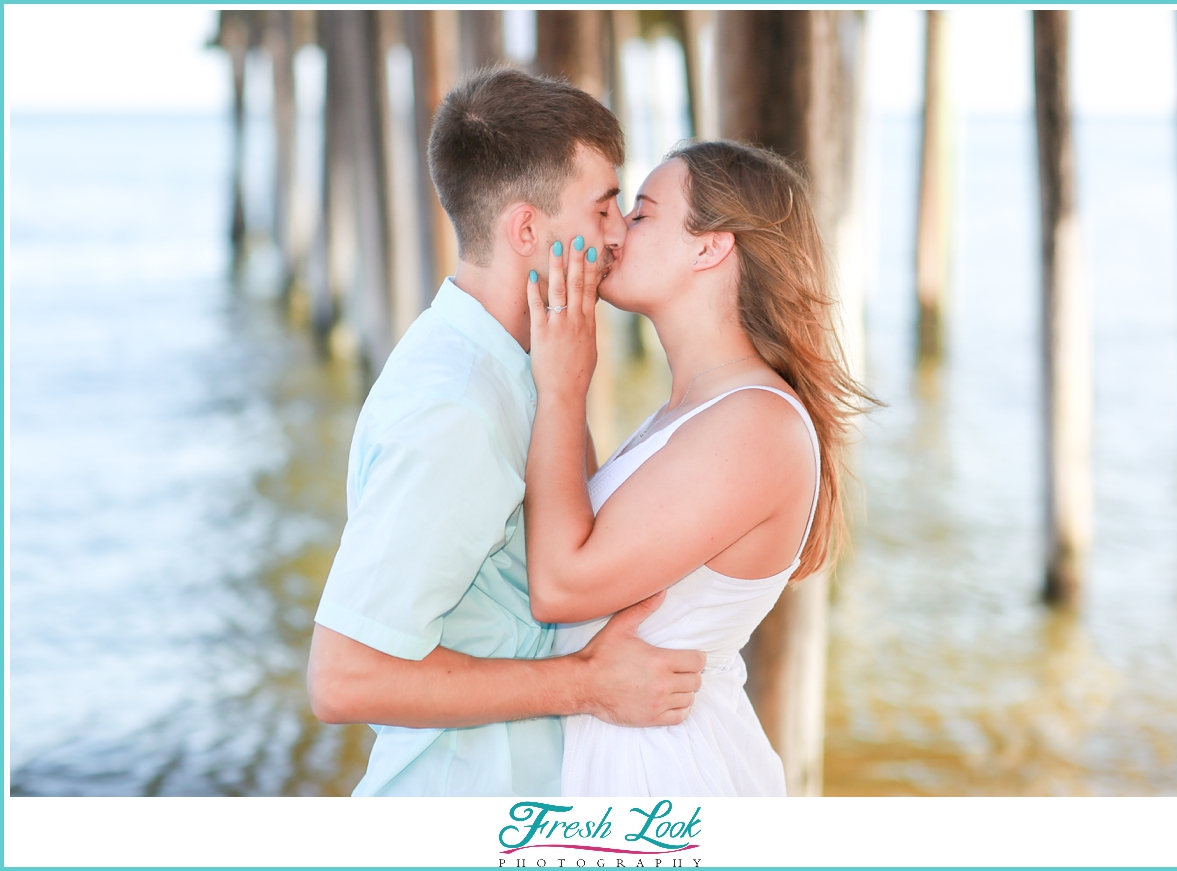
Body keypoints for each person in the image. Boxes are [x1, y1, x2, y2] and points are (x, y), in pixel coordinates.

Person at [306, 67, 705, 797]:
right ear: (527, 229)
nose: (620, 234)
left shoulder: (523, 363)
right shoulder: (459, 405)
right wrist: (585, 684)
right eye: (603, 208)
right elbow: (343, 676)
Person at [523, 140, 869, 795]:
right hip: (625, 755)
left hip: (662, 774)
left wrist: (563, 386)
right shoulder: (692, 411)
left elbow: (561, 587)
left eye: (644, 213)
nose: (617, 229)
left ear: (711, 246)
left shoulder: (755, 425)